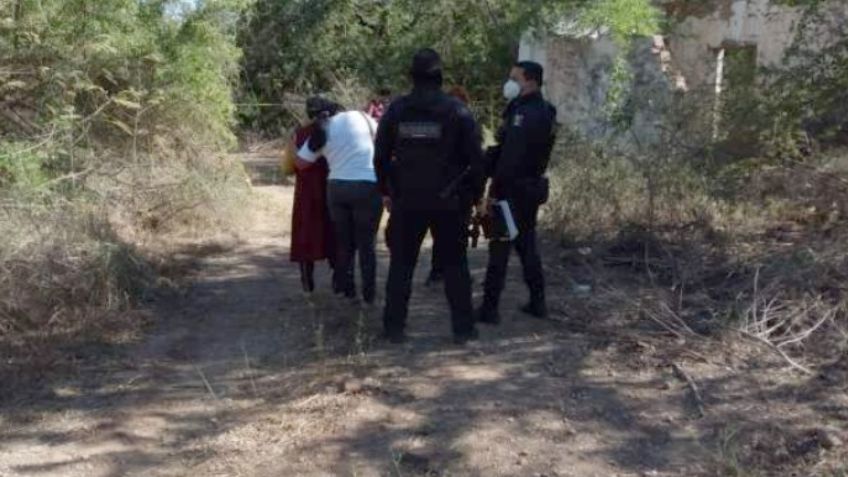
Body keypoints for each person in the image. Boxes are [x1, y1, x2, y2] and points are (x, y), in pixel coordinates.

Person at [375, 49, 486, 344]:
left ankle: (393, 329)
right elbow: (477, 161)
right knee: (455, 266)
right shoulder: (458, 111)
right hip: (449, 202)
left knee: (401, 265)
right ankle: (463, 330)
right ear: (440, 77)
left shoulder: (396, 111)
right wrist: (473, 198)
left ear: (411, 77)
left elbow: (380, 157)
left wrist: (387, 191)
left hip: (407, 200)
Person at [476, 61, 557, 324]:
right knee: (526, 245)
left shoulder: (526, 114)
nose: (510, 83)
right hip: (529, 189)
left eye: (515, 78)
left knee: (500, 247)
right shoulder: (540, 110)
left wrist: (494, 188)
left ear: (530, 81)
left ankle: (489, 309)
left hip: (513, 188)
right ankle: (538, 302)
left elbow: (511, 156)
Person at [296, 98, 382, 304]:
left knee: (344, 243)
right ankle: (369, 295)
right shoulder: (362, 117)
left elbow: (301, 163)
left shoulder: (322, 129)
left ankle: (347, 290)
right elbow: (383, 141)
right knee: (366, 245)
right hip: (367, 185)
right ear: (338, 108)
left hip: (336, 188)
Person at [288, 97, 339, 294]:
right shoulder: (334, 131)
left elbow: (292, 165)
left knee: (305, 235)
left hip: (306, 193)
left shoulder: (299, 134)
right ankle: (338, 279)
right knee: (334, 234)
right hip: (330, 188)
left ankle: (307, 282)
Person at [424, 85, 473, 287]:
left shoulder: (435, 124)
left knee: (440, 231)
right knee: (458, 234)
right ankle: (456, 275)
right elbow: (475, 160)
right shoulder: (468, 125)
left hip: (439, 187)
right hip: (459, 188)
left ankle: (438, 272)